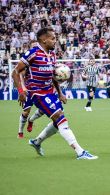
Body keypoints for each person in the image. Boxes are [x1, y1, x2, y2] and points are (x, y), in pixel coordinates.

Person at [11, 27, 98, 160]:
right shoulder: (33, 53)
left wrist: (60, 93)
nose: (55, 41)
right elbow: (15, 72)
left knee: (58, 122)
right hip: (37, 93)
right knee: (60, 118)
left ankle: (37, 142)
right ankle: (80, 152)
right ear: (44, 40)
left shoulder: (52, 54)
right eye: (53, 38)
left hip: (49, 92)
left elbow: (53, 76)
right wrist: (21, 91)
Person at [17, 40, 45, 138]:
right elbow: (20, 75)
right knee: (26, 111)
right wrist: (22, 89)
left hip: (42, 89)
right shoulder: (27, 61)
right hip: (29, 89)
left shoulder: (43, 58)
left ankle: (31, 120)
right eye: (33, 47)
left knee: (43, 110)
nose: (35, 49)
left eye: (36, 46)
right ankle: (20, 132)